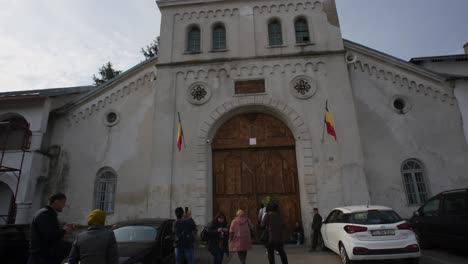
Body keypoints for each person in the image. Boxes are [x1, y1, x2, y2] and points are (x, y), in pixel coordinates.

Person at [28, 192, 76, 264]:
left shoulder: (47, 213)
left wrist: (63, 229)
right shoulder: (45, 214)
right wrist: (64, 231)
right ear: (56, 202)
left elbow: (50, 231)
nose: (64, 206)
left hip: (43, 255)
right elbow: (49, 235)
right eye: (63, 203)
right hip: (42, 256)